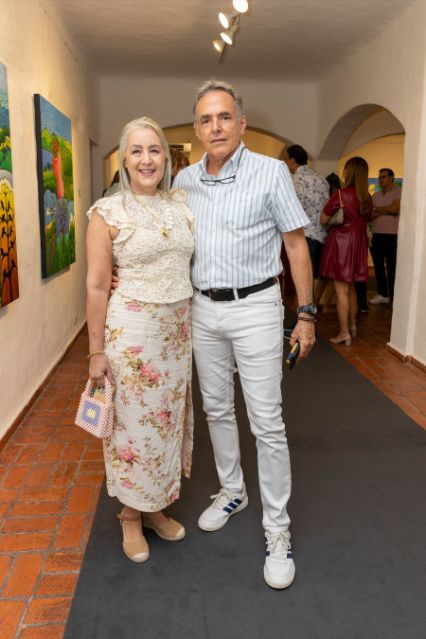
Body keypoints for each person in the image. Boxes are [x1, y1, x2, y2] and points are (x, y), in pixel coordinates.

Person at [174, 80, 316, 590]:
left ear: (241, 122)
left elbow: (295, 246)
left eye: (224, 117)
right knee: (216, 408)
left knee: (267, 422)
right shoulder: (184, 180)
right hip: (202, 308)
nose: (215, 127)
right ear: (197, 129)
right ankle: (232, 490)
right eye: (206, 119)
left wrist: (306, 314)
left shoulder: (271, 172)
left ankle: (278, 530)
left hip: (256, 306)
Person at [86, 117, 195, 563]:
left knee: (166, 424)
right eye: (137, 151)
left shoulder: (181, 206)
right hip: (131, 337)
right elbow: (97, 285)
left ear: (165, 157)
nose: (147, 159)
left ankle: (154, 507)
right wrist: (95, 351)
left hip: (177, 337)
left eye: (154, 150)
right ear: (124, 160)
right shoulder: (108, 212)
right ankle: (130, 514)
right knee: (132, 427)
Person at [320, 156, 372, 345]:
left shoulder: (341, 195)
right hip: (358, 243)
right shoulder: (367, 198)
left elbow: (323, 219)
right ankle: (353, 326)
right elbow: (367, 219)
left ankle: (344, 333)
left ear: (349, 173)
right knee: (351, 287)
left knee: (341, 290)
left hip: (341, 244)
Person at [283, 145, 330, 283]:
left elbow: (295, 208)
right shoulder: (321, 178)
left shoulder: (296, 180)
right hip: (322, 234)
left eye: (286, 159)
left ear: (293, 160)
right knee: (316, 278)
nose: (285, 162)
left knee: (304, 279)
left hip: (305, 235)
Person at [370, 168, 401, 305]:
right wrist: (387, 209)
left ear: (391, 178)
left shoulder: (398, 191)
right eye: (379, 177)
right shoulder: (375, 195)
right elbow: (370, 214)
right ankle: (382, 294)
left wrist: (378, 209)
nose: (380, 179)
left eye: (383, 177)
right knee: (378, 267)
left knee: (392, 267)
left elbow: (395, 209)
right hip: (376, 235)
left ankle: (394, 297)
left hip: (392, 235)